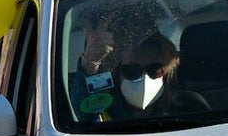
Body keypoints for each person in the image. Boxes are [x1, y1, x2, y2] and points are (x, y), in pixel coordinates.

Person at [72, 28, 208, 120]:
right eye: (132, 70)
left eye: (154, 69)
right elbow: (79, 119)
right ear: (117, 73)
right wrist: (90, 62)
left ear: (166, 73)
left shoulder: (190, 107)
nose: (145, 78)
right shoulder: (105, 110)